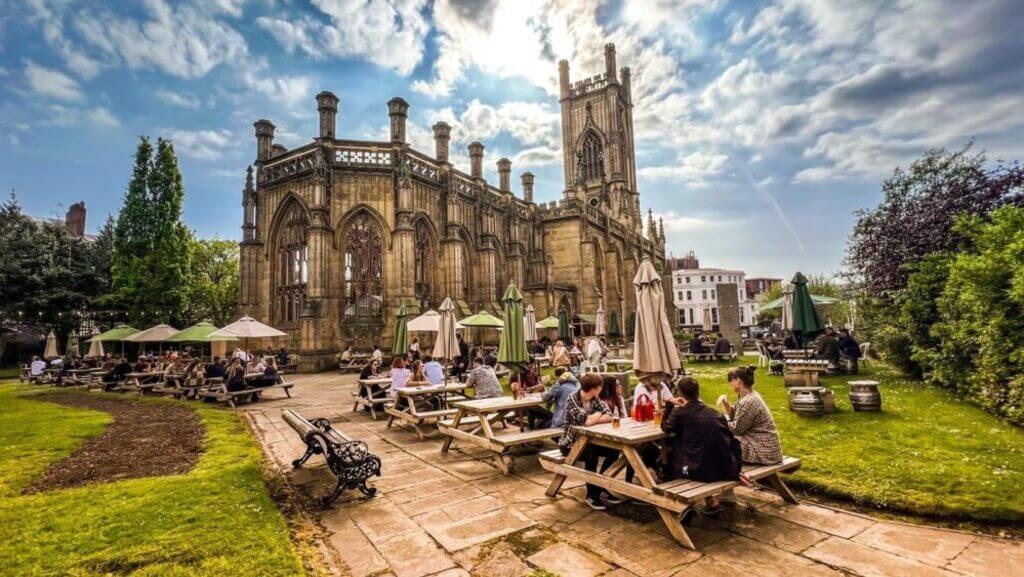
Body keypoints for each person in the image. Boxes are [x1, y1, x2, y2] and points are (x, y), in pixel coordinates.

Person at [661, 376, 743, 516]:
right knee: (696, 446)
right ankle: (711, 501)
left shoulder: (680, 412)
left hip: (699, 471)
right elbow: (732, 441)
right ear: (698, 392)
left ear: (680, 394)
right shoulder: (716, 414)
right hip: (724, 468)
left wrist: (669, 404)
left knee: (676, 449)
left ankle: (683, 506)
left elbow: (666, 428)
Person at [559, 373, 622, 510]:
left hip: (589, 442)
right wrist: (598, 414)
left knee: (614, 451)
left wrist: (593, 418)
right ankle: (592, 494)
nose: (601, 389)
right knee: (590, 454)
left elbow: (610, 416)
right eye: (600, 387)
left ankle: (600, 487)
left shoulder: (595, 399)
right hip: (570, 444)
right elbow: (585, 422)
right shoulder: (573, 399)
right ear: (593, 388)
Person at [720, 366, 783, 468]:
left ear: (739, 381)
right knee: (724, 436)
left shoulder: (748, 401)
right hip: (766, 448)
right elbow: (735, 416)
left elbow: (737, 430)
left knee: (722, 437)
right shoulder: (748, 396)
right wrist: (726, 403)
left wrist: (719, 422)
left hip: (765, 452)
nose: (729, 384)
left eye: (730, 380)